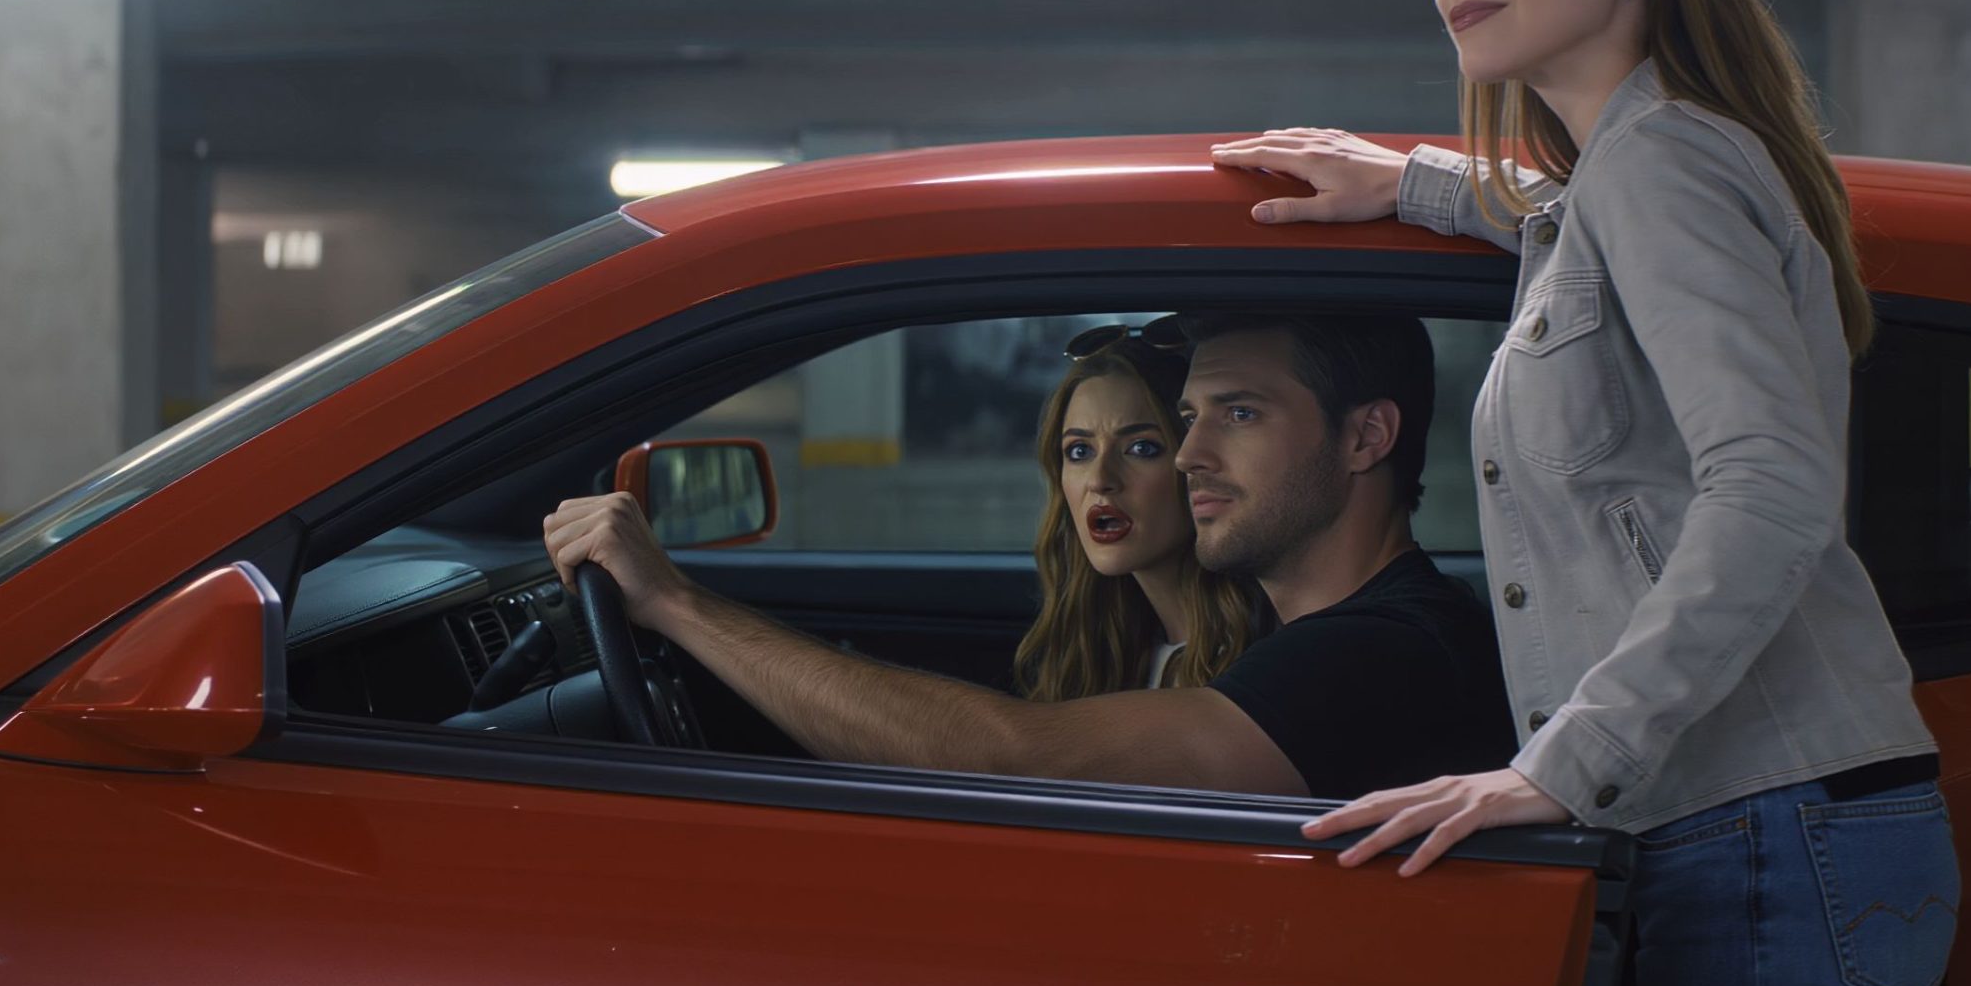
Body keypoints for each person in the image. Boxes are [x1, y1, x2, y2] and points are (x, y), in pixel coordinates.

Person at [1211, 0, 1955, 986]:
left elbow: (1774, 487)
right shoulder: (1626, 172)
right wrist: (1416, 182)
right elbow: (1563, 222)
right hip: (1749, 826)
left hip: (1762, 835)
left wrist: (1560, 765)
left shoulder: (1665, 165)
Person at [542, 313, 1511, 798]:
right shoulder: (1317, 636)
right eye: (1184, 420)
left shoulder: (1389, 652)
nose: (1188, 455)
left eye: (1240, 416)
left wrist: (676, 604)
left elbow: (1012, 757)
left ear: (1364, 438)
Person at [1013, 331, 1263, 701]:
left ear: (1195, 461)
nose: (1100, 481)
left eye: (1141, 448)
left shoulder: (1254, 665)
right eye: (1079, 451)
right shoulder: (1103, 653)